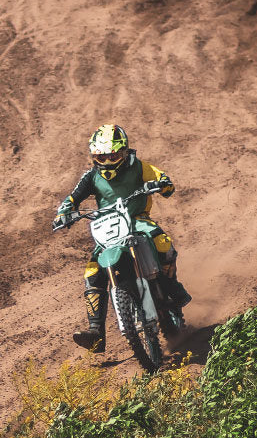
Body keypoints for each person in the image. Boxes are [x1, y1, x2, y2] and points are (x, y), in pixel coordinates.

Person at [53, 124, 192, 353]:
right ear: (94, 156)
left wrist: (162, 184)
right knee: (92, 272)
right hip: (108, 226)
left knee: (162, 243)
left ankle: (172, 289)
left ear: (124, 151)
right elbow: (72, 198)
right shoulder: (91, 176)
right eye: (101, 157)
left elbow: (162, 180)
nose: (107, 161)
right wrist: (63, 213)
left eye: (113, 156)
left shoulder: (138, 167)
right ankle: (95, 332)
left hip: (137, 220)